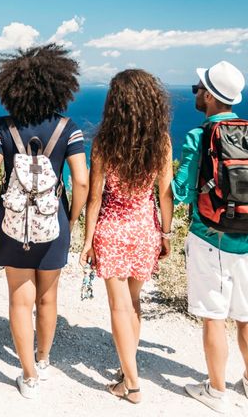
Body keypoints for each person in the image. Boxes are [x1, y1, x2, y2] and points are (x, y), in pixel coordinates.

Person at [174, 61, 248, 413]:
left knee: (214, 316)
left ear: (209, 96)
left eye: (198, 87)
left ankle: (216, 391)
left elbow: (181, 193)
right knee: (247, 315)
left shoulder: (199, 137)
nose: (195, 91)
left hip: (209, 238)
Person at [0, 44, 89, 399]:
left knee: (19, 299)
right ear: (60, 85)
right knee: (48, 297)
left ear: (9, 86)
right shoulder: (68, 129)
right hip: (52, 221)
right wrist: (70, 218)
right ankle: (43, 360)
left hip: (13, 224)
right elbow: (82, 180)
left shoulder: (0, 128)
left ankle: (28, 377)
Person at [79, 69, 173, 404]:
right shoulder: (161, 142)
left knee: (119, 307)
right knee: (134, 304)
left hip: (112, 230)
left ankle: (131, 384)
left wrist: (87, 241)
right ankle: (125, 368)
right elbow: (165, 194)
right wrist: (166, 234)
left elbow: (94, 197)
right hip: (145, 229)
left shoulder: (104, 141)